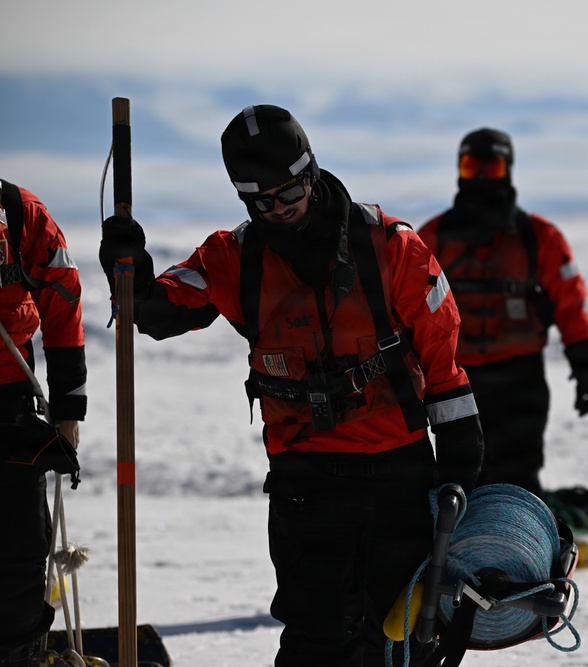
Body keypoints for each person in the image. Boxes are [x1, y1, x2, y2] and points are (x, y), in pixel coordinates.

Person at [98, 104, 483, 667]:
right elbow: (156, 311)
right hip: (306, 477)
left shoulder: (392, 249)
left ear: (310, 173)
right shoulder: (233, 257)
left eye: (286, 195)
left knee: (403, 635)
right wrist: (127, 264)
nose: (277, 211)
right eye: (260, 202)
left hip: (396, 473)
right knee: (315, 636)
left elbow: (443, 363)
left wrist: (460, 459)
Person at [417, 128, 588, 498]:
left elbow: (569, 303)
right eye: (472, 167)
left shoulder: (539, 237)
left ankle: (522, 540)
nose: (482, 178)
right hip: (457, 380)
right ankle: (457, 544)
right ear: (458, 171)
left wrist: (585, 365)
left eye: (491, 167)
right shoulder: (433, 237)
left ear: (508, 170)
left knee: (520, 475)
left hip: (521, 379)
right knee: (461, 473)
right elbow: (406, 305)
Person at [1, 179, 86, 667]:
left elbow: (63, 304)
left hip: (10, 408)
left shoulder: (21, 214)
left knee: (18, 567)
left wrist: (69, 408)